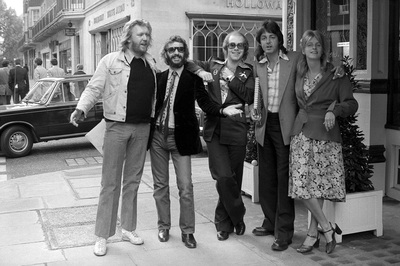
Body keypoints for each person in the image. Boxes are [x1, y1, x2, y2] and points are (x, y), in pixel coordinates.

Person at [251, 20, 344, 252]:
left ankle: (284, 233)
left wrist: (339, 66)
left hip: (289, 126)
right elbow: (256, 94)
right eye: (264, 38)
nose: (268, 41)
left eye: (272, 37)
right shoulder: (257, 64)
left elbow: (318, 60)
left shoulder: (293, 59)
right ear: (260, 43)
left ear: (279, 39)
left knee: (285, 182)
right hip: (264, 125)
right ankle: (271, 222)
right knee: (267, 180)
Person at [69, 19, 158, 257]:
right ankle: (102, 235)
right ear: (129, 37)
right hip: (116, 127)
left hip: (142, 128)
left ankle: (128, 228)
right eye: (140, 34)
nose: (145, 39)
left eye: (147, 34)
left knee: (133, 181)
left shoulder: (151, 62)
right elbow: (93, 88)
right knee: (110, 183)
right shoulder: (110, 60)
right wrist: (81, 108)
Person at [288, 30, 358, 254]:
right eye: (309, 44)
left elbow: (351, 104)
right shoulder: (298, 73)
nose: (314, 48)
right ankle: (327, 229)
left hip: (325, 136)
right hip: (300, 133)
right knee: (301, 186)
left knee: (317, 187)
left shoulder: (336, 74)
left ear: (323, 49)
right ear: (303, 48)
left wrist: (334, 110)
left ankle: (312, 235)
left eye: (318, 44)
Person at [195, 31, 254, 241]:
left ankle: (224, 222)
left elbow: (248, 96)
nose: (236, 49)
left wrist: (230, 77)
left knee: (234, 179)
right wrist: (201, 73)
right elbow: (190, 63)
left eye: (240, 46)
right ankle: (238, 215)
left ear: (244, 49)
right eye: (232, 45)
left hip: (237, 130)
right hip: (215, 130)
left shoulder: (248, 72)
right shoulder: (213, 66)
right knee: (223, 176)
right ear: (225, 48)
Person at [149, 35, 203, 249]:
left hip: (180, 138)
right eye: (171, 50)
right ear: (166, 54)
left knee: (185, 187)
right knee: (160, 186)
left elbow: (205, 102)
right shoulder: (159, 77)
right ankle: (163, 226)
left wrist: (221, 110)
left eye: (180, 49)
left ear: (185, 53)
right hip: (158, 138)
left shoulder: (193, 77)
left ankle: (188, 232)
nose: (176, 53)